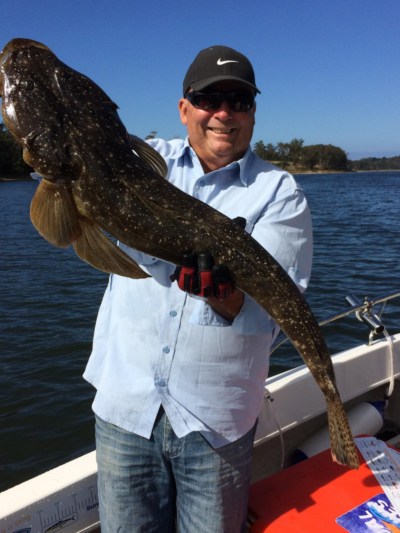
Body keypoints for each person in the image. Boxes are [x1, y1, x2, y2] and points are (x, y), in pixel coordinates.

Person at [83, 45, 313, 532]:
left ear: (253, 113)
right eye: (209, 99)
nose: (223, 113)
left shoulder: (279, 192)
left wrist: (220, 292)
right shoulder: (142, 163)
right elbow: (74, 173)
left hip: (216, 421)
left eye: (239, 100)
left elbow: (265, 309)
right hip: (128, 407)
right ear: (184, 108)